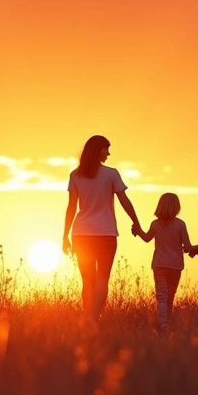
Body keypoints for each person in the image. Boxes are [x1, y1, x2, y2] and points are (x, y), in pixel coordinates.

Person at [62, 135, 142, 324]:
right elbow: (124, 201)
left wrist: (65, 235)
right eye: (106, 149)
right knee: (102, 278)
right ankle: (93, 317)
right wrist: (136, 222)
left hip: (81, 233)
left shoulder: (75, 175)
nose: (108, 153)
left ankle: (88, 317)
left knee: (87, 280)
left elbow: (71, 207)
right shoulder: (111, 174)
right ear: (98, 150)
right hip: (105, 233)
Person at [137, 192, 191, 331]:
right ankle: (166, 321)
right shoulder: (180, 224)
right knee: (170, 296)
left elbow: (147, 238)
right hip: (175, 265)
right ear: (177, 207)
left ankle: (163, 323)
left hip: (159, 265)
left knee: (161, 296)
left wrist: (138, 230)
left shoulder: (155, 224)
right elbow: (188, 246)